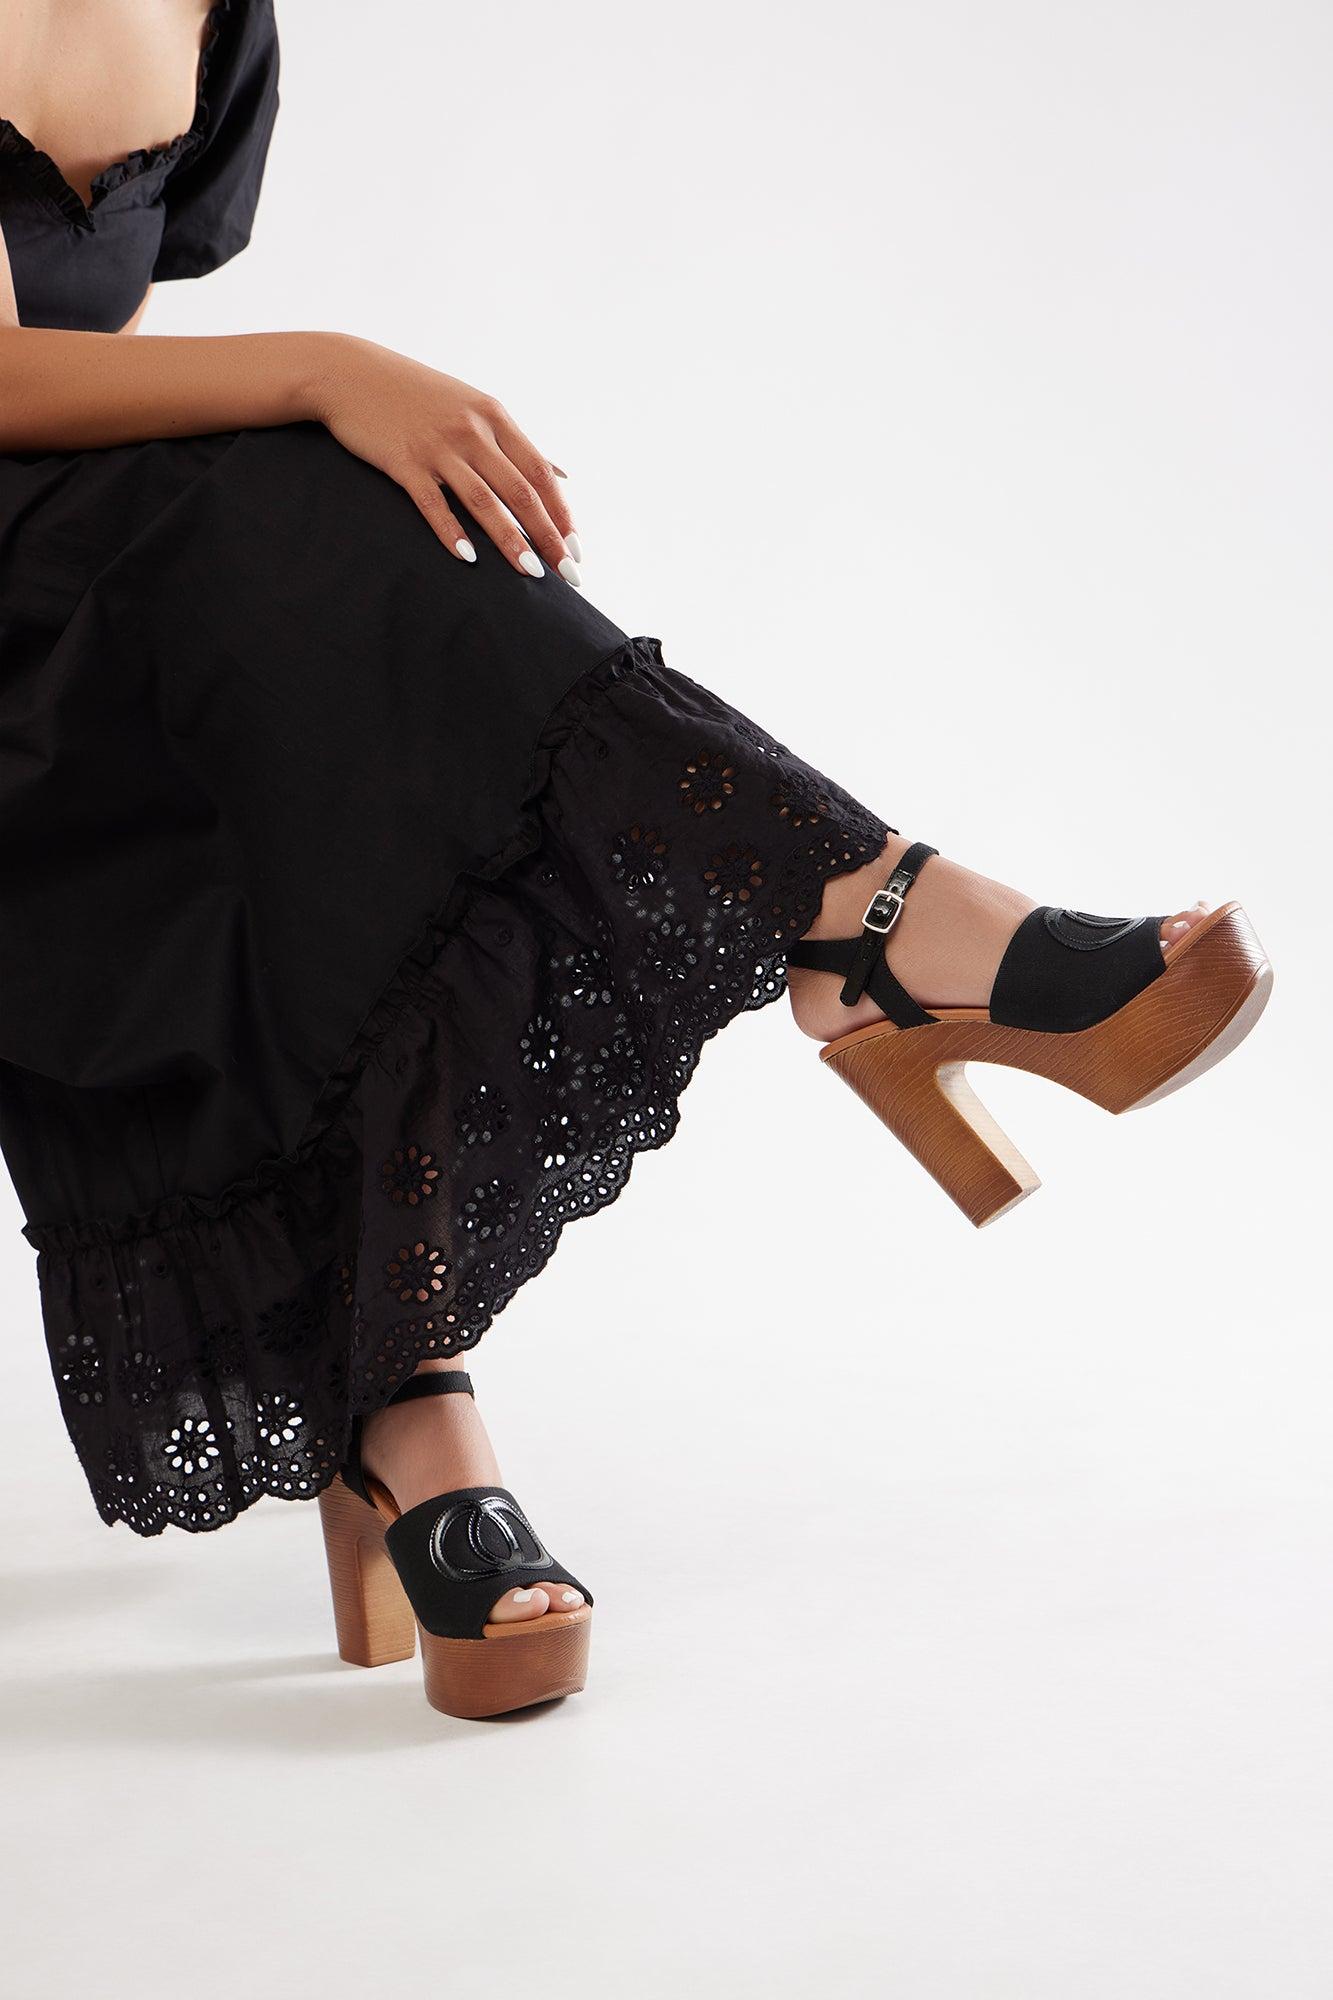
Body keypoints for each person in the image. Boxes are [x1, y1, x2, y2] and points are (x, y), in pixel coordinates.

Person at [0, 0, 1270, 1718]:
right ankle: (869, 921)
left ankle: (408, 1412)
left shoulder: (211, 17)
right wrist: (327, 372)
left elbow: (100, 365)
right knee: (298, 509)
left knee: (296, 644)